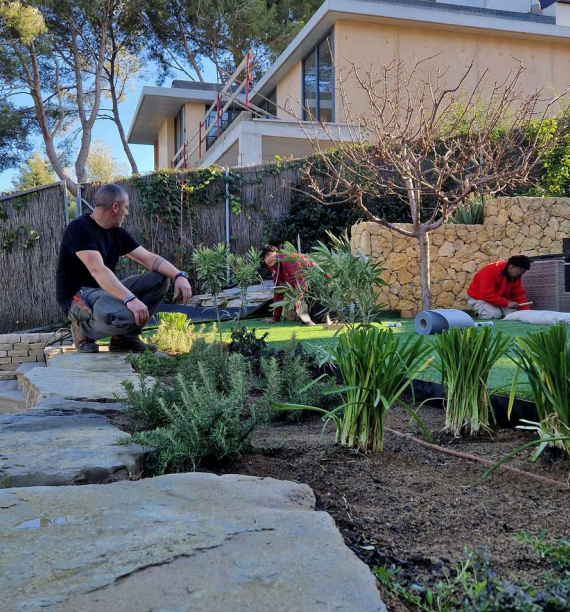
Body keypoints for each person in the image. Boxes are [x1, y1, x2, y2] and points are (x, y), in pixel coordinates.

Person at [56, 184, 192, 353]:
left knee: (159, 279)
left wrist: (179, 275)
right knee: (126, 317)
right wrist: (130, 299)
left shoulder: (117, 233)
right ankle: (83, 328)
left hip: (103, 292)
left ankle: (125, 340)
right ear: (115, 207)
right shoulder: (79, 229)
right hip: (78, 297)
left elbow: (149, 258)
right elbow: (98, 270)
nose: (127, 212)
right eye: (126, 207)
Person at [260, 244, 314, 324]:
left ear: (276, 252)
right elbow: (278, 292)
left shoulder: (287, 258)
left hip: (316, 283)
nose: (267, 259)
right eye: (264, 258)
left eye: (268, 254)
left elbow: (301, 278)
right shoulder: (275, 270)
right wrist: (275, 318)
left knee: (317, 318)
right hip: (305, 291)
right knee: (306, 319)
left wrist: (298, 298)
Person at [466, 255, 531, 320]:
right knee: (495, 314)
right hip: (478, 298)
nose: (519, 277)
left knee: (512, 315)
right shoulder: (490, 271)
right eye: (518, 275)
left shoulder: (514, 276)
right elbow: (486, 295)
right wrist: (506, 303)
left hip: (497, 299)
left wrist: (526, 312)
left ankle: (493, 310)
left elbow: (518, 295)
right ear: (512, 267)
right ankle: (479, 314)